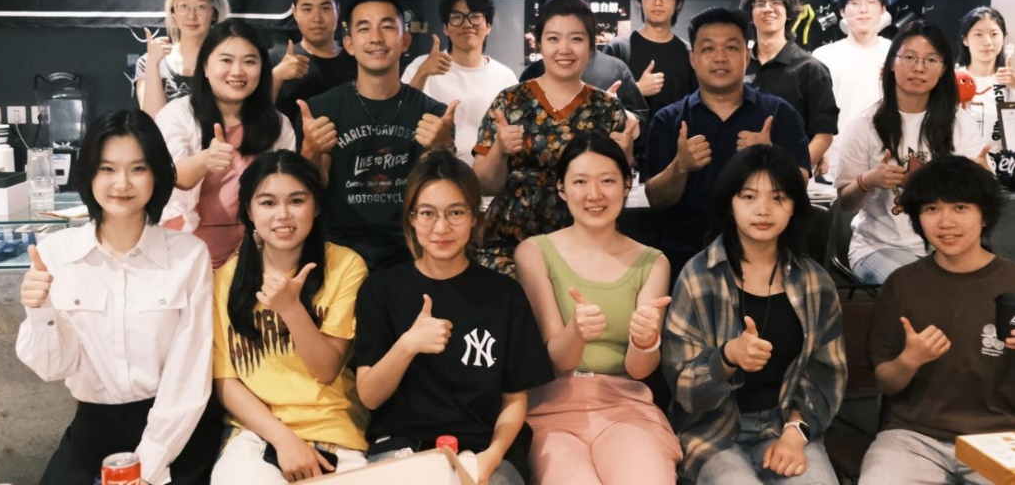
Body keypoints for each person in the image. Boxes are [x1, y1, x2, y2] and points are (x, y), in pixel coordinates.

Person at [16, 109, 216, 485]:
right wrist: (39, 311)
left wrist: (147, 466)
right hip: (93, 428)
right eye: (107, 168)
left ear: (157, 174)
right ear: (89, 174)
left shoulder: (189, 255)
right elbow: (52, 368)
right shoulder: (57, 252)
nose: (122, 183)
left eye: (138, 168)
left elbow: (189, 373)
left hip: (175, 430)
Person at [354, 149, 554, 485]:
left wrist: (491, 457)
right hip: (404, 448)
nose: (441, 227)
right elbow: (369, 395)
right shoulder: (381, 289)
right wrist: (408, 345)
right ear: (411, 218)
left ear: (474, 216)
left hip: (484, 449)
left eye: (456, 212)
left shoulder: (505, 295)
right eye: (427, 213)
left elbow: (514, 400)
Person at [663, 145, 846, 485]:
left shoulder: (814, 282)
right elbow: (684, 390)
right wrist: (726, 358)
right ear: (730, 204)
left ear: (794, 206)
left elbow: (827, 375)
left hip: (786, 426)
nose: (763, 209)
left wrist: (795, 432)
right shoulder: (699, 277)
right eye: (748, 196)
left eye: (778, 198)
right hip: (712, 432)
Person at [514, 132, 682, 485]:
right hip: (553, 410)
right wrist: (576, 331)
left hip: (626, 407)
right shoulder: (534, 252)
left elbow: (639, 370)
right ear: (562, 189)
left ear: (626, 185)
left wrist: (645, 340)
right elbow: (558, 359)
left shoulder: (652, 262)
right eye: (580, 182)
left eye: (607, 181)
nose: (594, 194)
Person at [210, 150, 370, 482]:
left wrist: (291, 309)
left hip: (334, 430)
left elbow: (326, 369)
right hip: (255, 433)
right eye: (268, 203)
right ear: (249, 211)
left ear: (317, 206)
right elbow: (225, 381)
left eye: (297, 201)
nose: (283, 215)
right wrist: (283, 439)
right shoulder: (225, 279)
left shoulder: (345, 266)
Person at [860, 154, 1015, 484]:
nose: (946, 222)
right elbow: (885, 382)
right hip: (913, 437)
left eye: (960, 207)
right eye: (932, 209)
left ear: (985, 215)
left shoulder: (1011, 281)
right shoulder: (902, 283)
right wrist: (909, 360)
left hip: (1002, 437)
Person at [642, 7, 810, 283]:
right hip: (685, 254)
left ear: (746, 55)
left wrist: (771, 157)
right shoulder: (668, 119)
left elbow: (800, 185)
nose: (720, 57)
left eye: (731, 47)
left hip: (765, 255)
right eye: (708, 49)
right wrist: (680, 166)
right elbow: (656, 199)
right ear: (693, 58)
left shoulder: (779, 114)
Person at [472, 0, 633, 277]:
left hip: (585, 250)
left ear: (591, 44)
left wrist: (625, 156)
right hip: (507, 247)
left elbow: (618, 188)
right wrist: (499, 150)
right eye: (553, 38)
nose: (564, 49)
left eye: (576, 39)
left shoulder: (607, 108)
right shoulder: (509, 101)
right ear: (539, 43)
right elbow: (484, 185)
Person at [298, 0, 455, 271]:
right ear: (349, 44)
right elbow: (309, 192)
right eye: (364, 28)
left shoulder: (433, 114)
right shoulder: (321, 109)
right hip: (338, 251)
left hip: (411, 250)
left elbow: (443, 194)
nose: (376, 38)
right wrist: (309, 151)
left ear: (405, 40)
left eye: (387, 26)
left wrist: (443, 149)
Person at [834, 21, 987, 285]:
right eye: (909, 57)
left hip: (949, 246)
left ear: (943, 69)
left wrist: (981, 179)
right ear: (892, 64)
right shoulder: (864, 125)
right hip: (880, 247)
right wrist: (867, 181)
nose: (919, 67)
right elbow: (846, 203)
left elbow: (981, 200)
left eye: (931, 60)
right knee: (924, 288)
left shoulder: (960, 123)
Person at [156, 19, 296, 268]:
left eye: (249, 61)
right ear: (205, 66)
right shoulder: (177, 114)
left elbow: (288, 188)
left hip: (255, 254)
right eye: (226, 60)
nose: (238, 71)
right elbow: (169, 175)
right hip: (186, 253)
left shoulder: (277, 124)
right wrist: (204, 160)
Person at [400, 0, 517, 165]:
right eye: (457, 17)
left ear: (489, 26)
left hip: (487, 175)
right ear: (445, 28)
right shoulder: (421, 66)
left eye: (475, 16)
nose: (467, 24)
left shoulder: (505, 77)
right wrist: (422, 73)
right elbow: (399, 117)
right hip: (434, 172)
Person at [740, 0, 838, 176]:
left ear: (788, 11)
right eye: (760, 4)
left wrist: (794, 175)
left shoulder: (811, 69)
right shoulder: (739, 65)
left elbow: (824, 135)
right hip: (739, 174)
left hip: (788, 178)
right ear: (750, 13)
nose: (768, 9)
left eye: (776, 2)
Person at [519, 0, 649, 128]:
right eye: (554, 37)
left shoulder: (615, 69)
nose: (564, 48)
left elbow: (640, 122)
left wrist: (615, 112)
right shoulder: (531, 75)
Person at [811, 0, 891, 173]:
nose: (863, 9)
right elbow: (814, 113)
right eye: (854, 3)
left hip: (888, 161)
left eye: (871, 1)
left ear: (882, 8)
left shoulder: (897, 54)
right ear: (842, 11)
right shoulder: (823, 56)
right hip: (835, 162)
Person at [603, 0, 696, 119]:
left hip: (675, 134)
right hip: (629, 134)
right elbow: (600, 103)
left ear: (678, 3)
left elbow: (695, 105)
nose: (657, 2)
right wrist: (636, 90)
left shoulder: (689, 54)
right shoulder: (618, 48)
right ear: (639, 1)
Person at [135, 0, 231, 117]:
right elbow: (152, 119)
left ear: (214, 13)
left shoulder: (227, 61)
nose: (191, 15)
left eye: (201, 6)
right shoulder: (148, 62)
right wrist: (153, 64)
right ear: (173, 10)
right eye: (183, 6)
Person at [269, 0, 357, 128]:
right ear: (295, 13)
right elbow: (254, 117)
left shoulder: (356, 60)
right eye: (307, 9)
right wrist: (276, 77)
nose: (317, 18)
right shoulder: (275, 59)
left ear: (337, 10)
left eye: (325, 8)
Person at [956, 6, 1015, 152]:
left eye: (994, 34)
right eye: (978, 34)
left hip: (1003, 163)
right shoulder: (953, 79)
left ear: (1003, 37)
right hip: (960, 162)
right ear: (965, 40)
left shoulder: (1010, 81)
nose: (987, 41)